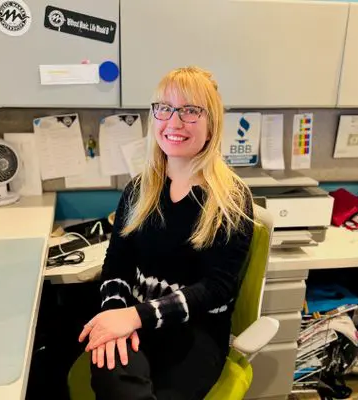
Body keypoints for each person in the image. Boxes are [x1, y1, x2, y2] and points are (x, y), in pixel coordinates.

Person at [78, 66, 255, 400]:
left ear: (211, 124)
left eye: (190, 111)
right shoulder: (139, 190)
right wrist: (115, 313)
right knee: (117, 386)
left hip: (195, 332)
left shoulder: (230, 198)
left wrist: (134, 315)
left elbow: (217, 288)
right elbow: (116, 264)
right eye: (164, 108)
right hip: (133, 323)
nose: (174, 122)